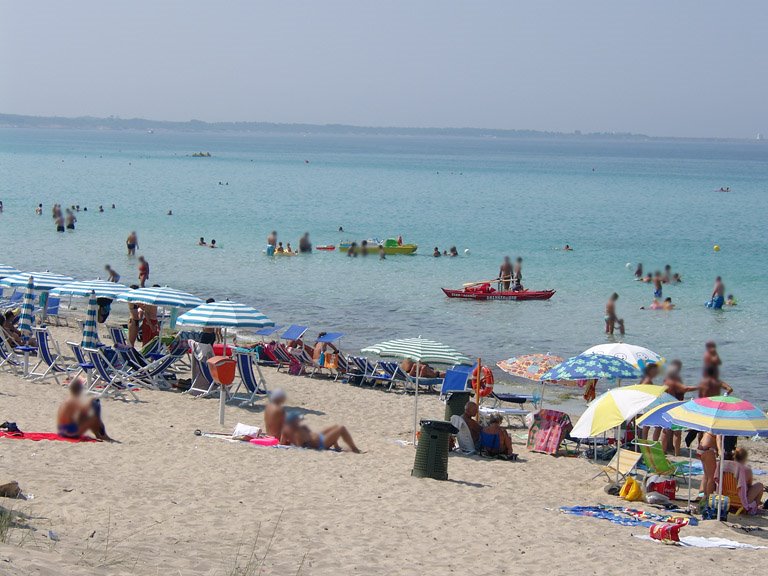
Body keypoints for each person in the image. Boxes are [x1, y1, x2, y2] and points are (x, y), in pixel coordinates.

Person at [281, 412, 360, 453]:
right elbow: (285, 444)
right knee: (341, 428)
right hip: (321, 443)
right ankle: (355, 449)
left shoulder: (301, 428)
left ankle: (336, 445)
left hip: (319, 437)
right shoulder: (294, 432)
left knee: (335, 426)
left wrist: (336, 445)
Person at [698, 432, 718, 498]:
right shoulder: (718, 428)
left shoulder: (709, 429)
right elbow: (719, 440)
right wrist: (721, 453)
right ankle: (709, 498)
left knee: (706, 475)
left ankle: (703, 495)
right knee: (711, 478)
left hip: (701, 448)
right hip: (708, 449)